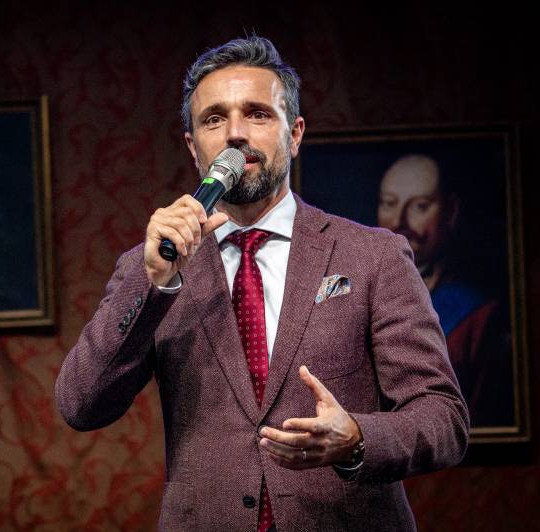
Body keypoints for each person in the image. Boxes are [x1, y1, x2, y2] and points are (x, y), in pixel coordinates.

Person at [56, 36, 469, 531]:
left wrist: (357, 439)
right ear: (193, 147)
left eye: (257, 114)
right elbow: (81, 405)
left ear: (294, 134)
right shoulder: (153, 265)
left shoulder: (373, 256)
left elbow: (443, 417)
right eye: (214, 119)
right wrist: (155, 287)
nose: (235, 133)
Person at [378, 155, 513, 427]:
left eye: (419, 206)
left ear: (451, 211)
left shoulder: (479, 316)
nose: (399, 220)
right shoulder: (353, 292)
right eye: (389, 203)